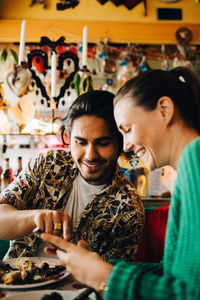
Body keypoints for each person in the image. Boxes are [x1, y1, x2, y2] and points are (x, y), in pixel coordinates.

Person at [41, 66, 200, 299]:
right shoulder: (188, 167)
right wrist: (97, 265)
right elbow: (171, 273)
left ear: (164, 110)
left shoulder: (194, 158)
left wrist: (104, 276)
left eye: (127, 129)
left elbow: (188, 294)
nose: (125, 146)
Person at [0, 90, 144, 261]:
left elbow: (110, 281)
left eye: (103, 143)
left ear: (120, 143)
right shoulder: (48, 164)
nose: (90, 155)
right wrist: (34, 217)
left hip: (78, 288)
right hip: (15, 281)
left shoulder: (128, 207)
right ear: (69, 138)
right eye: (80, 142)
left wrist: (87, 263)